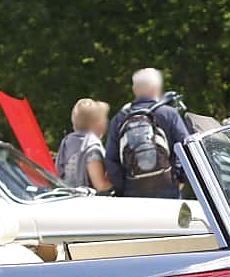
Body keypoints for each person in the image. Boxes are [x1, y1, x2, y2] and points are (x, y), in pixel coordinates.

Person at [105, 67, 192, 198]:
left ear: (134, 90)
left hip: (132, 192)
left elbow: (111, 160)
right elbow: (187, 148)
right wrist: (180, 178)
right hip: (167, 188)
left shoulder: (120, 118)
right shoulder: (169, 114)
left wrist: (122, 189)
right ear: (156, 88)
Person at [55, 98, 113, 193]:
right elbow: (101, 185)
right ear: (97, 123)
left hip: (67, 199)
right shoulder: (91, 147)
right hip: (84, 203)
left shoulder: (67, 142)